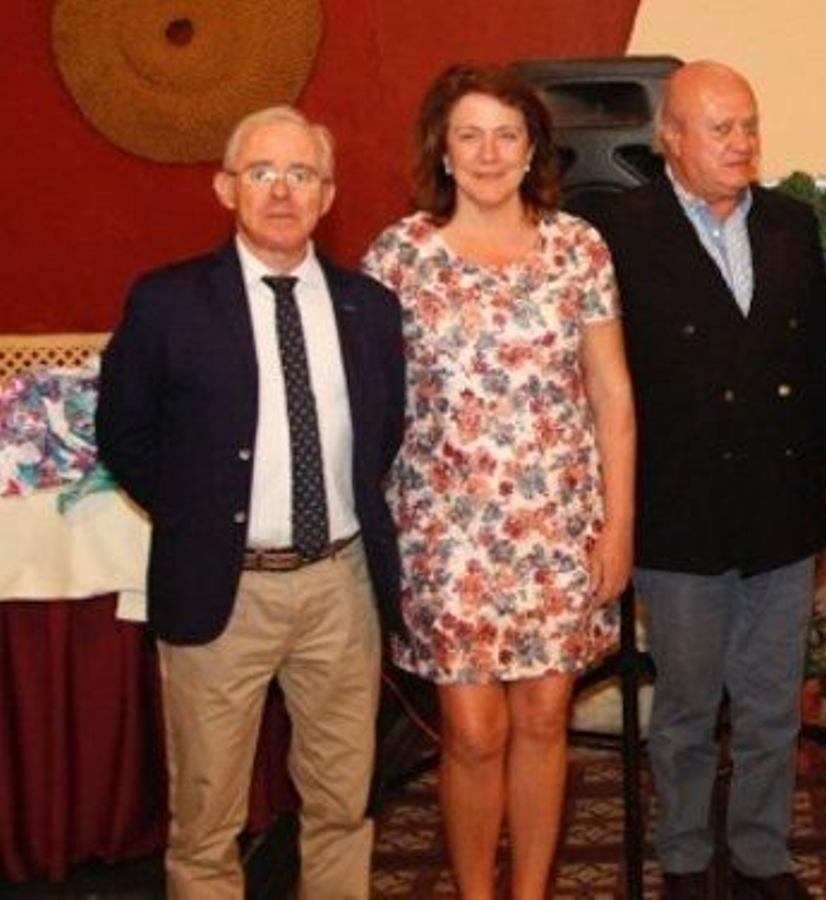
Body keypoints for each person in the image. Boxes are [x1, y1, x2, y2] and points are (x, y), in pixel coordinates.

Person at [96, 105, 405, 898]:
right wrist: (199, 517)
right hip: (220, 589)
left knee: (343, 804)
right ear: (225, 187)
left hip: (340, 588)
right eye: (262, 172)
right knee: (207, 821)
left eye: (302, 174)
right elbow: (124, 434)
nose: (281, 191)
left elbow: (381, 434)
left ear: (327, 195)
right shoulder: (167, 303)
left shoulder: (369, 309)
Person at [361, 64, 636, 899]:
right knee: (474, 731)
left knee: (545, 718)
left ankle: (531, 891)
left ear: (531, 150)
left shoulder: (578, 248)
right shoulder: (400, 255)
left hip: (558, 522)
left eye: (505, 135)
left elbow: (612, 395)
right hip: (445, 533)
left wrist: (619, 525)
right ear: (443, 152)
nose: (488, 153)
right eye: (469, 136)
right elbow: (366, 399)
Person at [590, 60, 826, 900]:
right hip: (679, 511)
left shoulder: (793, 223)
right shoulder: (619, 231)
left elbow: (816, 362)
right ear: (671, 139)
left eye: (749, 125)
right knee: (687, 708)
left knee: (770, 704)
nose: (741, 142)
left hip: (781, 509)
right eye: (721, 128)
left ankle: (763, 854)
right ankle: (686, 857)